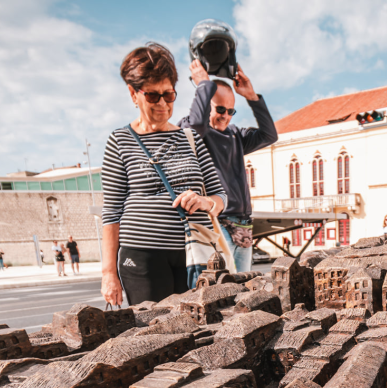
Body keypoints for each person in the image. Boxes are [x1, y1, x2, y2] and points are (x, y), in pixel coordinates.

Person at [101, 43, 226, 306]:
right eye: (152, 96)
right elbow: (111, 214)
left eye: (168, 95)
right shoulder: (120, 141)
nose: (162, 104)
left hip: (195, 254)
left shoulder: (190, 138)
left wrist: (204, 202)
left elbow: (220, 197)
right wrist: (108, 274)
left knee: (200, 331)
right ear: (133, 94)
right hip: (142, 257)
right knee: (153, 334)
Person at [180, 59, 277, 281]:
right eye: (220, 109)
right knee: (216, 288)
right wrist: (204, 85)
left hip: (243, 225)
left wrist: (252, 97)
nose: (226, 115)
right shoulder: (194, 132)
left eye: (231, 110)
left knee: (241, 289)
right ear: (206, 106)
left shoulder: (236, 135)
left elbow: (269, 135)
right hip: (215, 221)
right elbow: (194, 126)